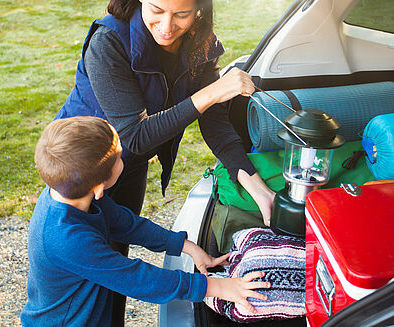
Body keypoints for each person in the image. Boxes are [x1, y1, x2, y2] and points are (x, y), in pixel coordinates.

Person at [54, 0, 275, 323]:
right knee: (83, 285)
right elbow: (137, 135)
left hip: (125, 167)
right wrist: (211, 92)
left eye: (181, 14)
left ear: (199, 9)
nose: (168, 26)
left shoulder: (199, 41)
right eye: (157, 10)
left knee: (117, 254)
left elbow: (214, 123)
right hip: (82, 169)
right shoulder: (109, 42)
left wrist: (255, 186)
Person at [20, 117, 271, 327]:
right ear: (98, 187)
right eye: (119, 157)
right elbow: (138, 278)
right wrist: (217, 287)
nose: (124, 157)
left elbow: (125, 224)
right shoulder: (67, 239)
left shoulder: (72, 194)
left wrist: (187, 246)